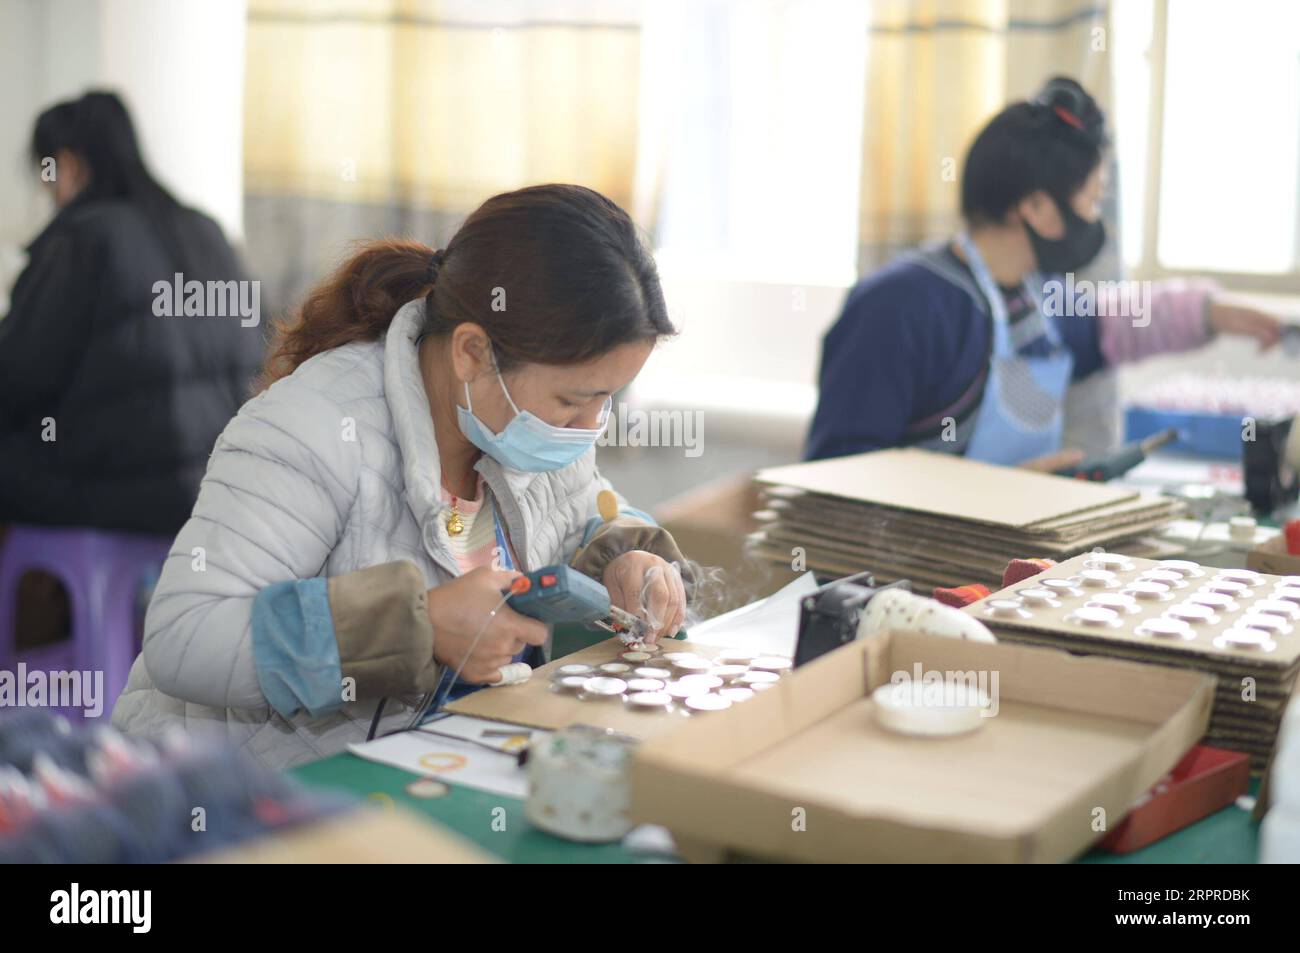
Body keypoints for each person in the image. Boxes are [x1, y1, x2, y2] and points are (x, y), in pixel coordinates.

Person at [112, 184, 692, 768]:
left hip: (441, 762)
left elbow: (591, 510)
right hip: (240, 794)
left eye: (607, 399)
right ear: (472, 352)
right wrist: (416, 627)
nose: (591, 425)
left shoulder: (532, 426)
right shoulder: (316, 425)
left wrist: (626, 559)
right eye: (575, 398)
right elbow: (186, 636)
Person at [806, 77, 1281, 469]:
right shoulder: (899, 307)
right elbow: (835, 480)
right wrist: (995, 495)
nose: (1096, 220)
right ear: (1034, 206)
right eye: (1092, 200)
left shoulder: (1037, 299)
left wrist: (1212, 312)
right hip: (907, 580)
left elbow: (1112, 323)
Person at [0, 91, 264, 533]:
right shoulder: (206, 231)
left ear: (65, 166)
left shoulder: (83, 239)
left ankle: (34, 599)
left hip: (122, 496)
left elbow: (17, 378)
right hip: (222, 491)